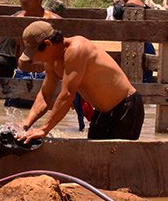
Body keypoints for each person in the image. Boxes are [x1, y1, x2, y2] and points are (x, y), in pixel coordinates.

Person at [15, 21, 144, 143]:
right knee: (92, 159)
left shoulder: (76, 50)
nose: (34, 59)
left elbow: (67, 95)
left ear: (48, 44)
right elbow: (45, 95)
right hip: (102, 112)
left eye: (35, 54)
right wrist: (26, 124)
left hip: (126, 107)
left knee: (117, 161)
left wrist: (44, 129)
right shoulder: (51, 61)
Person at [0, 0, 60, 78]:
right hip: (18, 69)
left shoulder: (54, 20)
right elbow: (1, 35)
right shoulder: (17, 19)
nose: (24, 0)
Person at [107, 0, 156, 83]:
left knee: (137, 85)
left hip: (140, 48)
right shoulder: (130, 2)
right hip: (137, 48)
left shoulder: (132, 5)